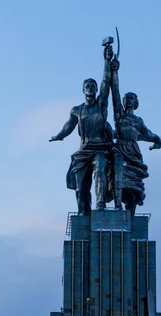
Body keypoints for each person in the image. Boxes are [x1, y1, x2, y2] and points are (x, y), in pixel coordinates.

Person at [50, 44, 115, 215]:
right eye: (88, 86)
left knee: (100, 170)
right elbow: (69, 126)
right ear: (83, 89)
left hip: (99, 149)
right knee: (80, 187)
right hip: (83, 151)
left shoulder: (101, 105)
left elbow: (106, 82)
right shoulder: (77, 110)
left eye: (93, 87)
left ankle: (100, 204)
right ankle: (83, 212)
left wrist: (106, 61)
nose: (91, 89)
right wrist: (58, 136)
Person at [110, 58, 161, 214]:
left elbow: (147, 134)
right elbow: (115, 91)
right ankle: (117, 206)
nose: (128, 100)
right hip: (120, 149)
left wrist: (158, 140)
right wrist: (115, 72)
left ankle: (131, 211)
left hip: (134, 152)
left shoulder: (138, 120)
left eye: (131, 98)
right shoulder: (119, 115)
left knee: (135, 184)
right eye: (126, 98)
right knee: (118, 174)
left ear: (136, 103)